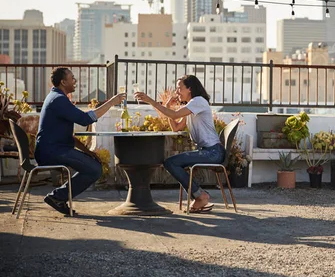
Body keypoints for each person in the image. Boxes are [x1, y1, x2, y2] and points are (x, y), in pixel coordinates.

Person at [36, 67, 126, 215]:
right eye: (72, 78)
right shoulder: (58, 100)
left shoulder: (56, 97)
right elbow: (85, 119)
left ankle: (58, 197)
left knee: (94, 165)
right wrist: (112, 102)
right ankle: (57, 197)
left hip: (55, 148)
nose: (75, 81)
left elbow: (68, 135)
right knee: (94, 169)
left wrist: (87, 151)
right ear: (63, 82)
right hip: (52, 152)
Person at [135, 75, 222, 213]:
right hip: (208, 151)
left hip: (212, 152)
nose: (177, 92)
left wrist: (150, 100)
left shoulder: (198, 101)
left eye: (179, 88)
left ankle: (200, 196)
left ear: (190, 89)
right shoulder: (191, 106)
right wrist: (168, 107)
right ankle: (199, 195)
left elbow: (175, 115)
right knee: (170, 162)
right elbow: (176, 127)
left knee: (171, 163)